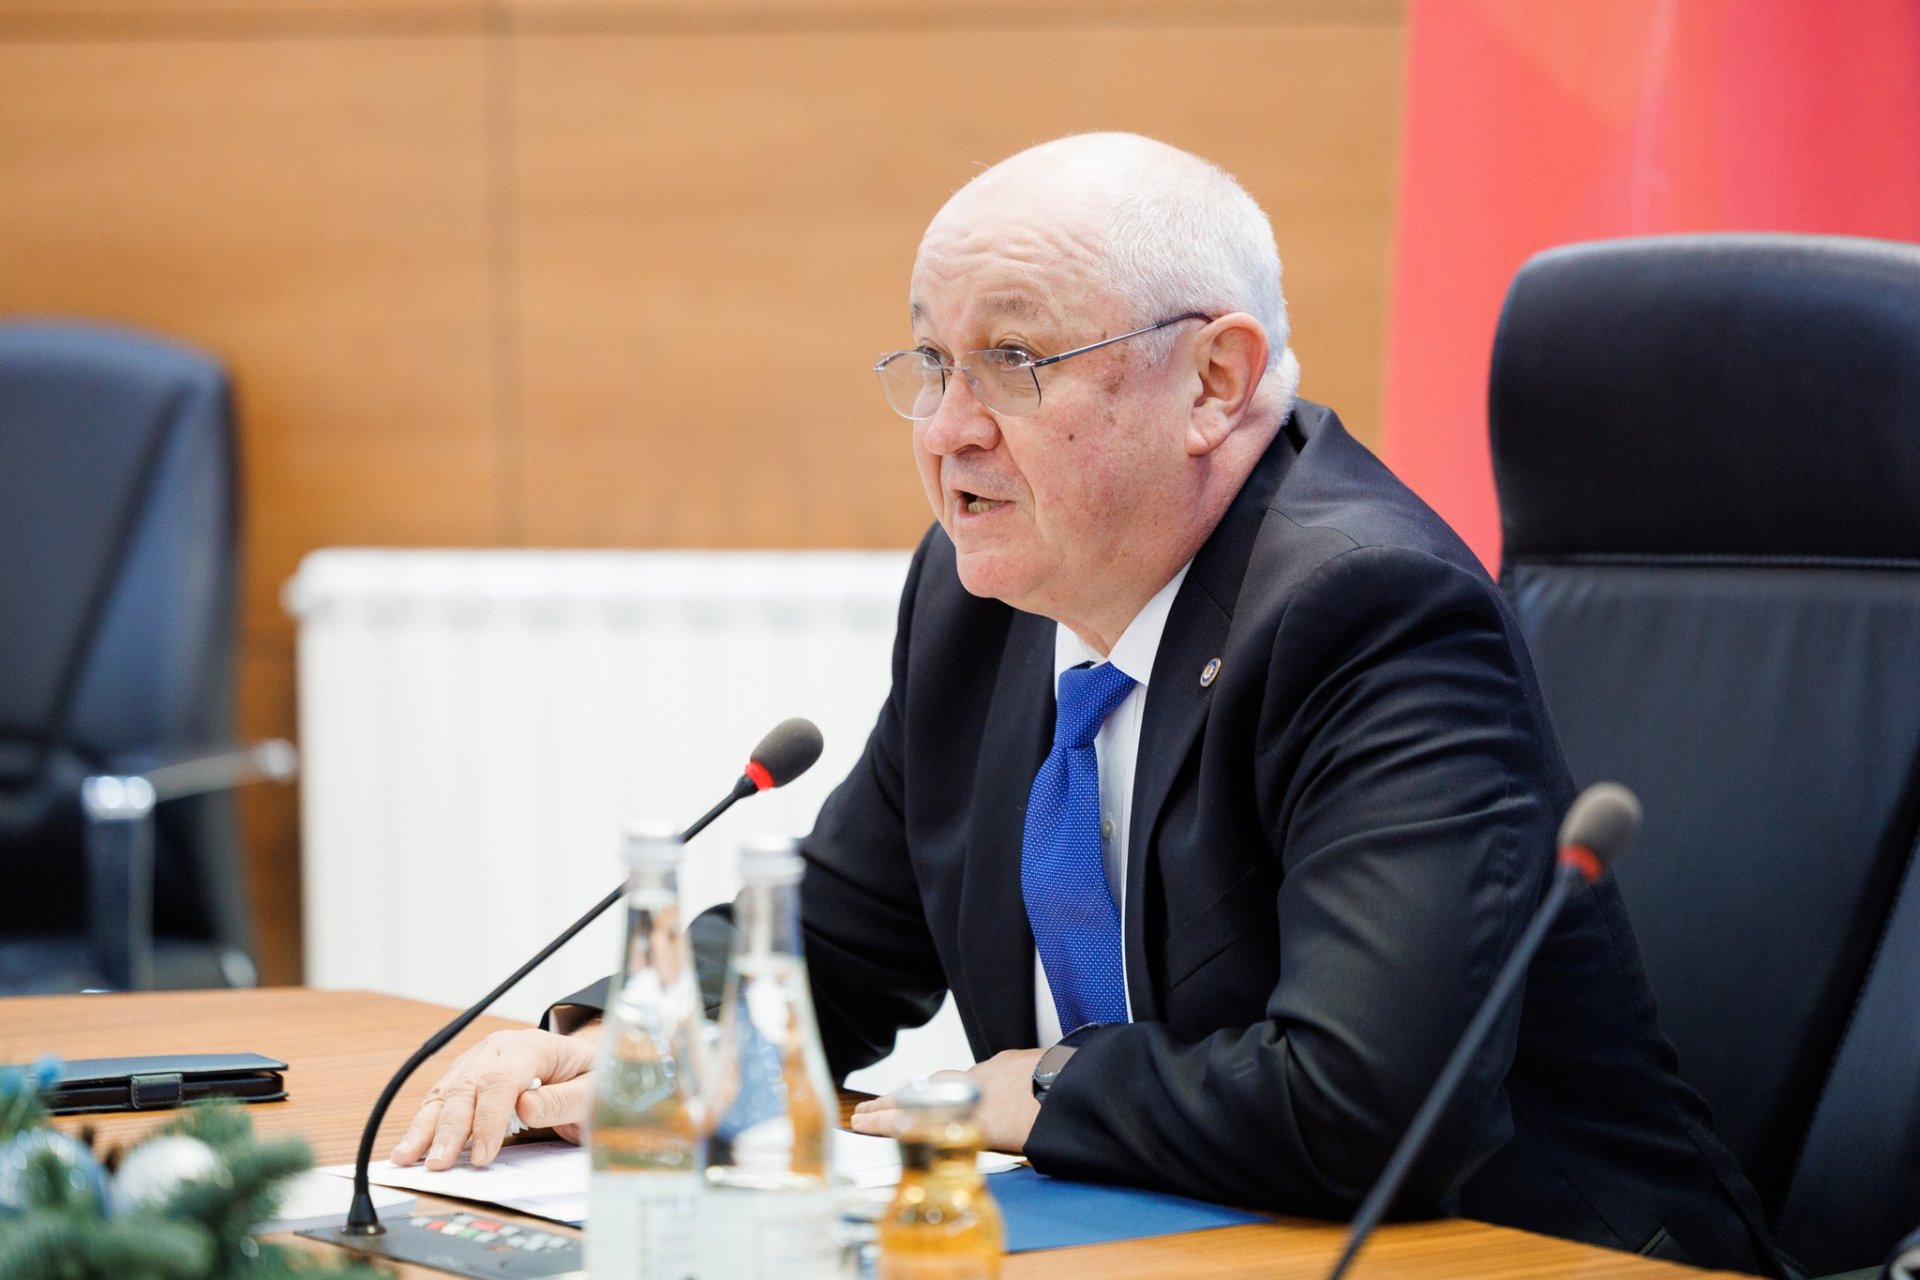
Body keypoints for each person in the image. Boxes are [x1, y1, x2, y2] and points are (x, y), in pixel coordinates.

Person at [393, 133, 1778, 1273]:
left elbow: (1369, 1104)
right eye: (933, 364)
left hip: (1524, 1255)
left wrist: (1043, 1087)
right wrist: (636, 1039)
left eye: (1016, 362)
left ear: (1216, 380)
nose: (949, 430)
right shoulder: (982, 596)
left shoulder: (1369, 612)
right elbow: (849, 942)